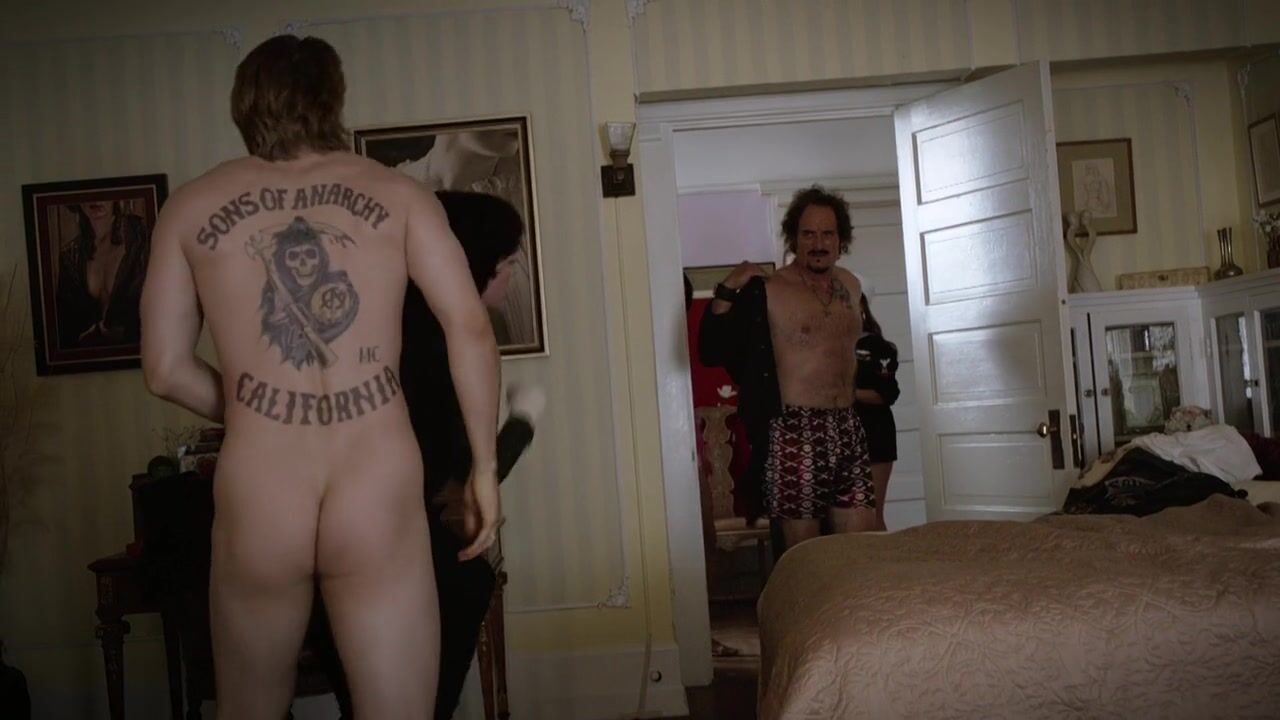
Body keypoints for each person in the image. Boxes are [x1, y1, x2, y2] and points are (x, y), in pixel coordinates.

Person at [140, 35, 500, 720]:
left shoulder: (189, 207)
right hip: (375, 481)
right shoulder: (398, 195)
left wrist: (250, 407)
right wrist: (484, 467)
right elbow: (471, 328)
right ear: (333, 99)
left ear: (243, 104)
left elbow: (163, 370)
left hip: (261, 487)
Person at [312, 190, 544, 720]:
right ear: (477, 264)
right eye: (508, 264)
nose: (512, 279)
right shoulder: (444, 346)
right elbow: (457, 489)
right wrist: (523, 422)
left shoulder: (378, 328)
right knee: (466, 584)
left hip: (330, 545)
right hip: (393, 552)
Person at [699, 185, 875, 553]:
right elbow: (711, 349)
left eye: (827, 234)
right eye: (808, 234)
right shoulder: (770, 290)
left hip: (848, 426)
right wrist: (728, 287)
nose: (818, 243)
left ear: (841, 239)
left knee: (860, 550)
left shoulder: (851, 285)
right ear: (793, 238)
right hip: (795, 429)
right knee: (802, 556)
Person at [55, 200, 150, 348]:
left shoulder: (141, 237)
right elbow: (65, 330)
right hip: (92, 358)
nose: (95, 198)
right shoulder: (70, 256)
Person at [853, 294, 900, 532]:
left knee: (872, 513)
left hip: (874, 433)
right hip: (836, 435)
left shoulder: (879, 347)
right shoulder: (823, 345)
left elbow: (886, 394)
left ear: (861, 305)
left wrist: (845, 394)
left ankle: (880, 557)